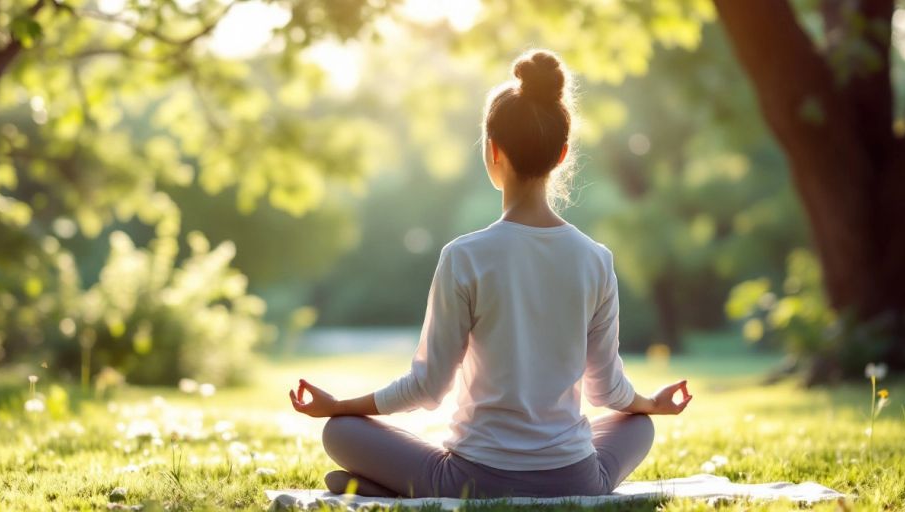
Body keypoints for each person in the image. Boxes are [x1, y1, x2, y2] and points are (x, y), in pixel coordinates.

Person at [288, 49, 693, 499]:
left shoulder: (465, 256)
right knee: (639, 426)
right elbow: (607, 390)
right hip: (575, 478)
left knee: (340, 432)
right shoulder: (595, 259)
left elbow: (428, 387)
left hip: (470, 481)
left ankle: (399, 489)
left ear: (492, 150)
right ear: (562, 154)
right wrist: (651, 405)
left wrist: (340, 406)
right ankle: (394, 488)